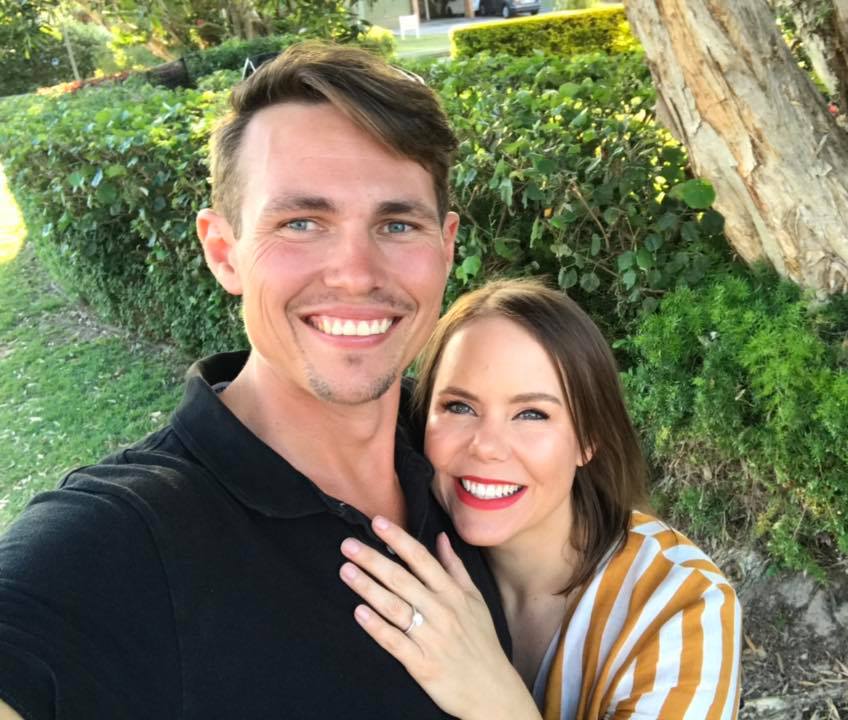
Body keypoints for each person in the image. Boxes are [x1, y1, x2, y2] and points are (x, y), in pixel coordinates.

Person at [0, 43, 510, 719]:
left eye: (396, 223)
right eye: (302, 223)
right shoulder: (120, 540)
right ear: (223, 252)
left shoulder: (473, 459)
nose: (356, 272)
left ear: (445, 248)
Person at [336, 279, 742, 719]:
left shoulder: (683, 605)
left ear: (589, 439)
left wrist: (495, 701)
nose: (487, 446)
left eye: (532, 414)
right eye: (459, 407)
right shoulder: (401, 541)